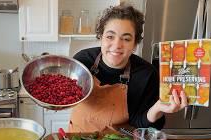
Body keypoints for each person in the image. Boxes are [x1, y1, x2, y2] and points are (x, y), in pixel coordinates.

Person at [69, 4, 188, 132]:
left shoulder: (146, 74)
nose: (117, 45)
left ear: (135, 44)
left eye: (126, 39)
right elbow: (66, 95)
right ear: (101, 37)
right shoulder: (82, 60)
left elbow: (140, 123)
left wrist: (157, 109)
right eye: (110, 36)